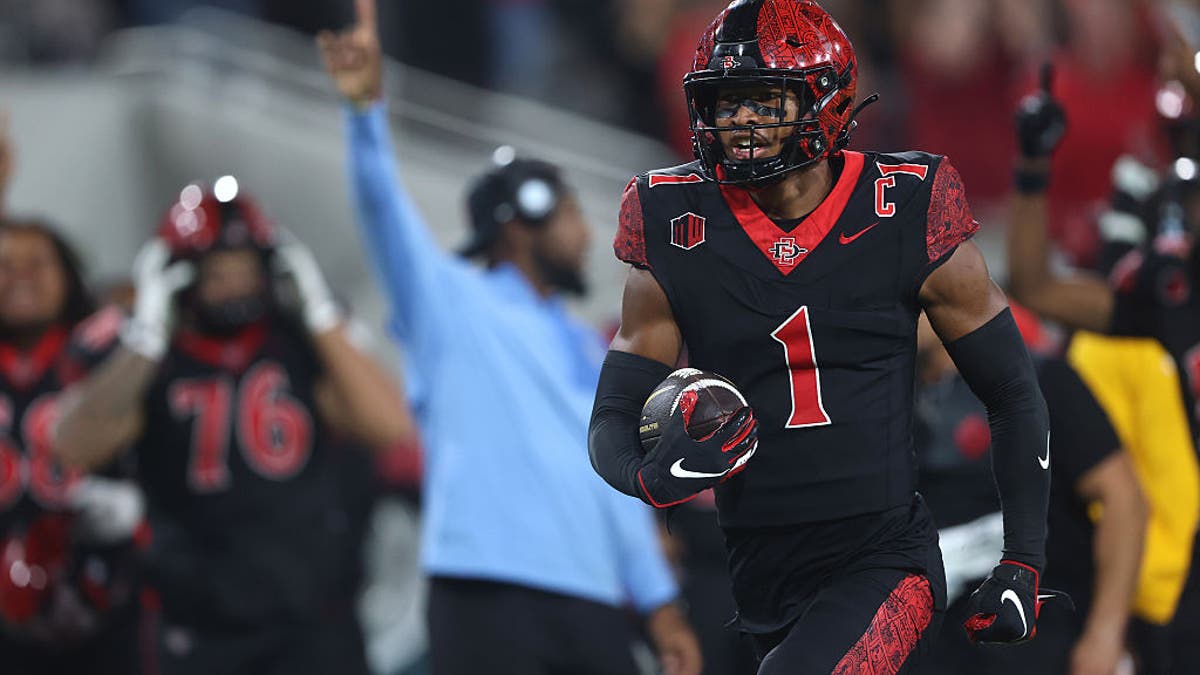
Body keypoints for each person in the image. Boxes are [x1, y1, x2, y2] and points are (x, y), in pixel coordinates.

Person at [588, 1, 1056, 672]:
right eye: (725, 100)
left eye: (762, 99)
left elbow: (1012, 388)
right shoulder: (674, 219)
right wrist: (644, 474)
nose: (740, 120)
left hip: (886, 560)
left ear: (824, 99)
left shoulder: (905, 204)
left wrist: (1024, 559)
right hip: (757, 568)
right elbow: (611, 413)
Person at [317, 2, 703, 674]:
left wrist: (660, 603)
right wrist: (363, 112)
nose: (588, 235)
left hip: (590, 598)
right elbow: (383, 209)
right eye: (571, 215)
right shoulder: (450, 304)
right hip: (486, 590)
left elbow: (610, 482)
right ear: (518, 221)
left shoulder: (591, 345)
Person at [52, 179, 413, 675]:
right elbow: (74, 445)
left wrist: (321, 309)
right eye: (217, 274)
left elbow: (389, 427)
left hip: (313, 616)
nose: (235, 288)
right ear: (178, 277)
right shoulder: (143, 354)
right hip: (200, 619)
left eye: (245, 272)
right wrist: (147, 336)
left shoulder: (301, 339)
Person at [912, 315, 1147, 675]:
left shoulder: (1037, 380)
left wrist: (1105, 635)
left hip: (1039, 638)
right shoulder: (881, 401)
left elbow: (1123, 500)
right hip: (936, 642)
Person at [0, 217, 144, 675]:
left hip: (115, 602)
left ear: (67, 273)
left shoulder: (105, 350)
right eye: (4, 264)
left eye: (37, 263)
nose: (21, 275)